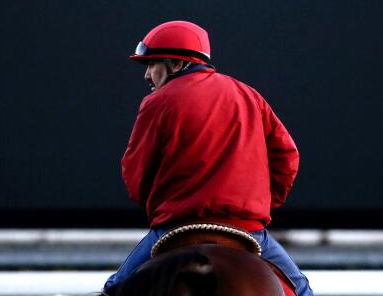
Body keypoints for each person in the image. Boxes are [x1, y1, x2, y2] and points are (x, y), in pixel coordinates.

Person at [103, 20, 313, 296]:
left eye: (151, 65)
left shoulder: (155, 103)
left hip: (174, 226)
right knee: (302, 289)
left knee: (114, 289)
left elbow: (135, 176)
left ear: (177, 64)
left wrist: (162, 204)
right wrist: (258, 206)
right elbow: (287, 158)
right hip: (247, 227)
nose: (147, 76)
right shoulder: (249, 95)